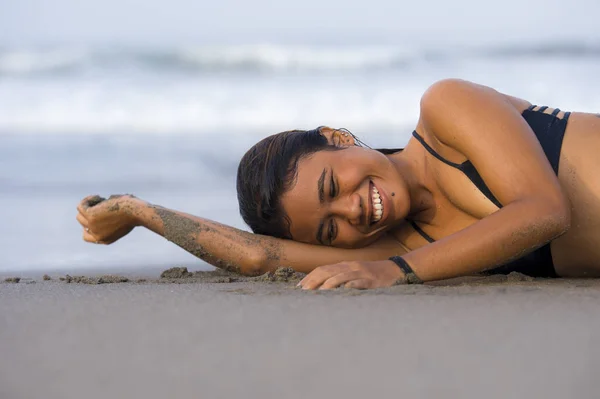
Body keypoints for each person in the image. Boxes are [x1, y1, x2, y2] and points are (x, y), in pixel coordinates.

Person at [76, 78, 600, 290]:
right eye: (329, 232)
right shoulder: (401, 243)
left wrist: (395, 272)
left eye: (331, 187)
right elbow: (262, 257)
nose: (352, 212)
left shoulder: (447, 110)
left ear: (339, 137)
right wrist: (140, 210)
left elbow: (542, 211)